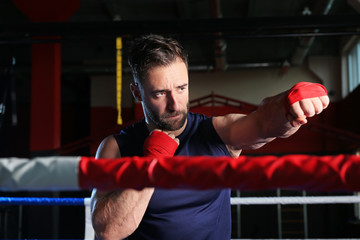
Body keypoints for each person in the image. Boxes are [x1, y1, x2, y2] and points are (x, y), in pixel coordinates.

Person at [90, 34, 329, 240]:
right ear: (137, 92)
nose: (175, 104)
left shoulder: (217, 134)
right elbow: (108, 231)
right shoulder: (116, 148)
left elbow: (263, 124)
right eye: (160, 93)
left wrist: (289, 106)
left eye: (181, 88)